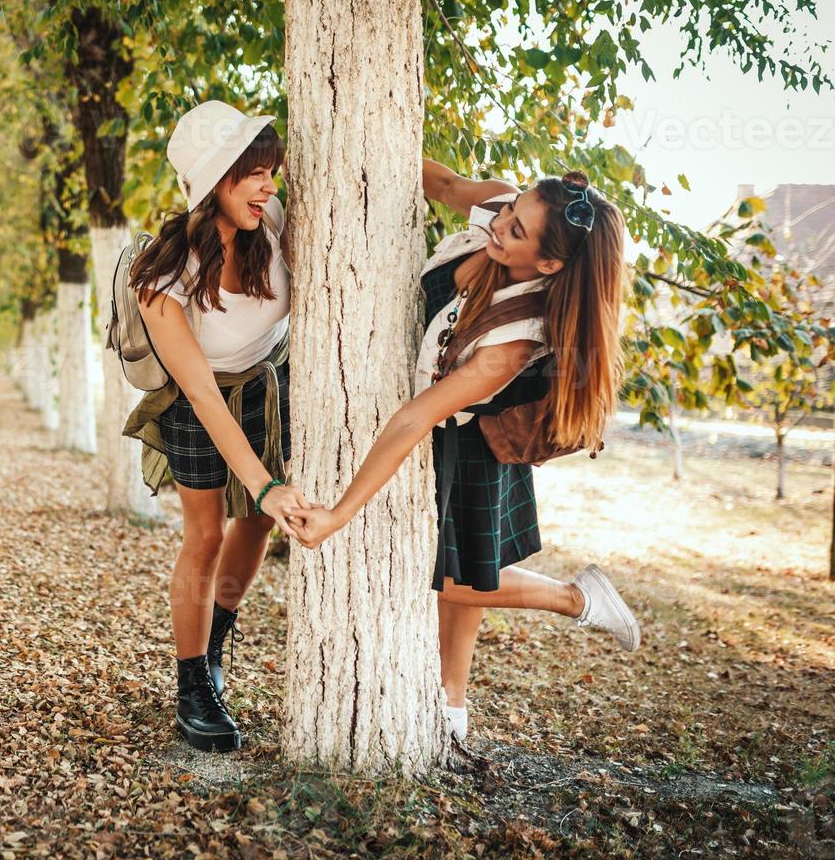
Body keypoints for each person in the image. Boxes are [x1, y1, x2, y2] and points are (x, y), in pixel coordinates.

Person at [289, 158, 641, 742]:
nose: (501, 224)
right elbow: (448, 185)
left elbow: (415, 417)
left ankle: (576, 598)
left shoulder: (514, 340)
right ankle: (453, 706)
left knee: (454, 578)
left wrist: (337, 514)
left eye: (517, 231)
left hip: (474, 441)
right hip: (453, 426)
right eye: (510, 209)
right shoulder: (506, 212)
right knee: (465, 570)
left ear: (549, 264)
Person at [122, 100, 310, 753]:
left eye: (271, 171)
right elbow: (201, 392)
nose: (269, 185)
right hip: (196, 401)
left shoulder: (276, 223)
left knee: (257, 523)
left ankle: (218, 642)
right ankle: (192, 683)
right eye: (252, 173)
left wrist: (265, 494)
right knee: (205, 534)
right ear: (214, 182)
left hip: (265, 385)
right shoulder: (164, 278)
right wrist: (262, 483)